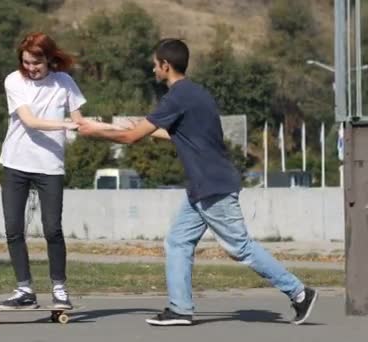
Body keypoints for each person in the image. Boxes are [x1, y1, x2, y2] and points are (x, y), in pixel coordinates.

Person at [78, 38, 318, 326]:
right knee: (178, 242)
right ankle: (180, 309)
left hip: (212, 185)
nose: (153, 69)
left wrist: (95, 131)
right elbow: (182, 135)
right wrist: (137, 128)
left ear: (166, 66)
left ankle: (299, 292)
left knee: (239, 247)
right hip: (203, 187)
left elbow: (131, 138)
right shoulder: (196, 93)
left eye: (155, 65)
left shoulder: (176, 97)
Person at [0, 32, 92, 310]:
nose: (31, 68)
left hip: (49, 166)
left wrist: (108, 130)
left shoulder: (65, 83)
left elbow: (79, 121)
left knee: (52, 229)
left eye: (36, 63)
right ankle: (24, 290)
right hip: (15, 163)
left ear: (49, 59)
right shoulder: (14, 81)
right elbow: (29, 121)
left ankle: (60, 290)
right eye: (26, 62)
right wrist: (65, 126)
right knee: (14, 229)